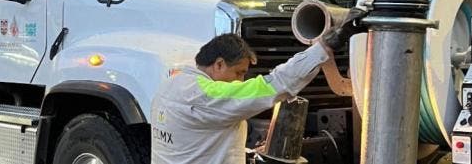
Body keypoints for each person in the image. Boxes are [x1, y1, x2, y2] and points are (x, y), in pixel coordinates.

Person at [150, 11, 367, 164]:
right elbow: (274, 85)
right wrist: (326, 46)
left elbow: (196, 142)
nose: (241, 81)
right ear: (218, 64)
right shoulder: (207, 94)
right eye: (239, 73)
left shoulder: (170, 84)